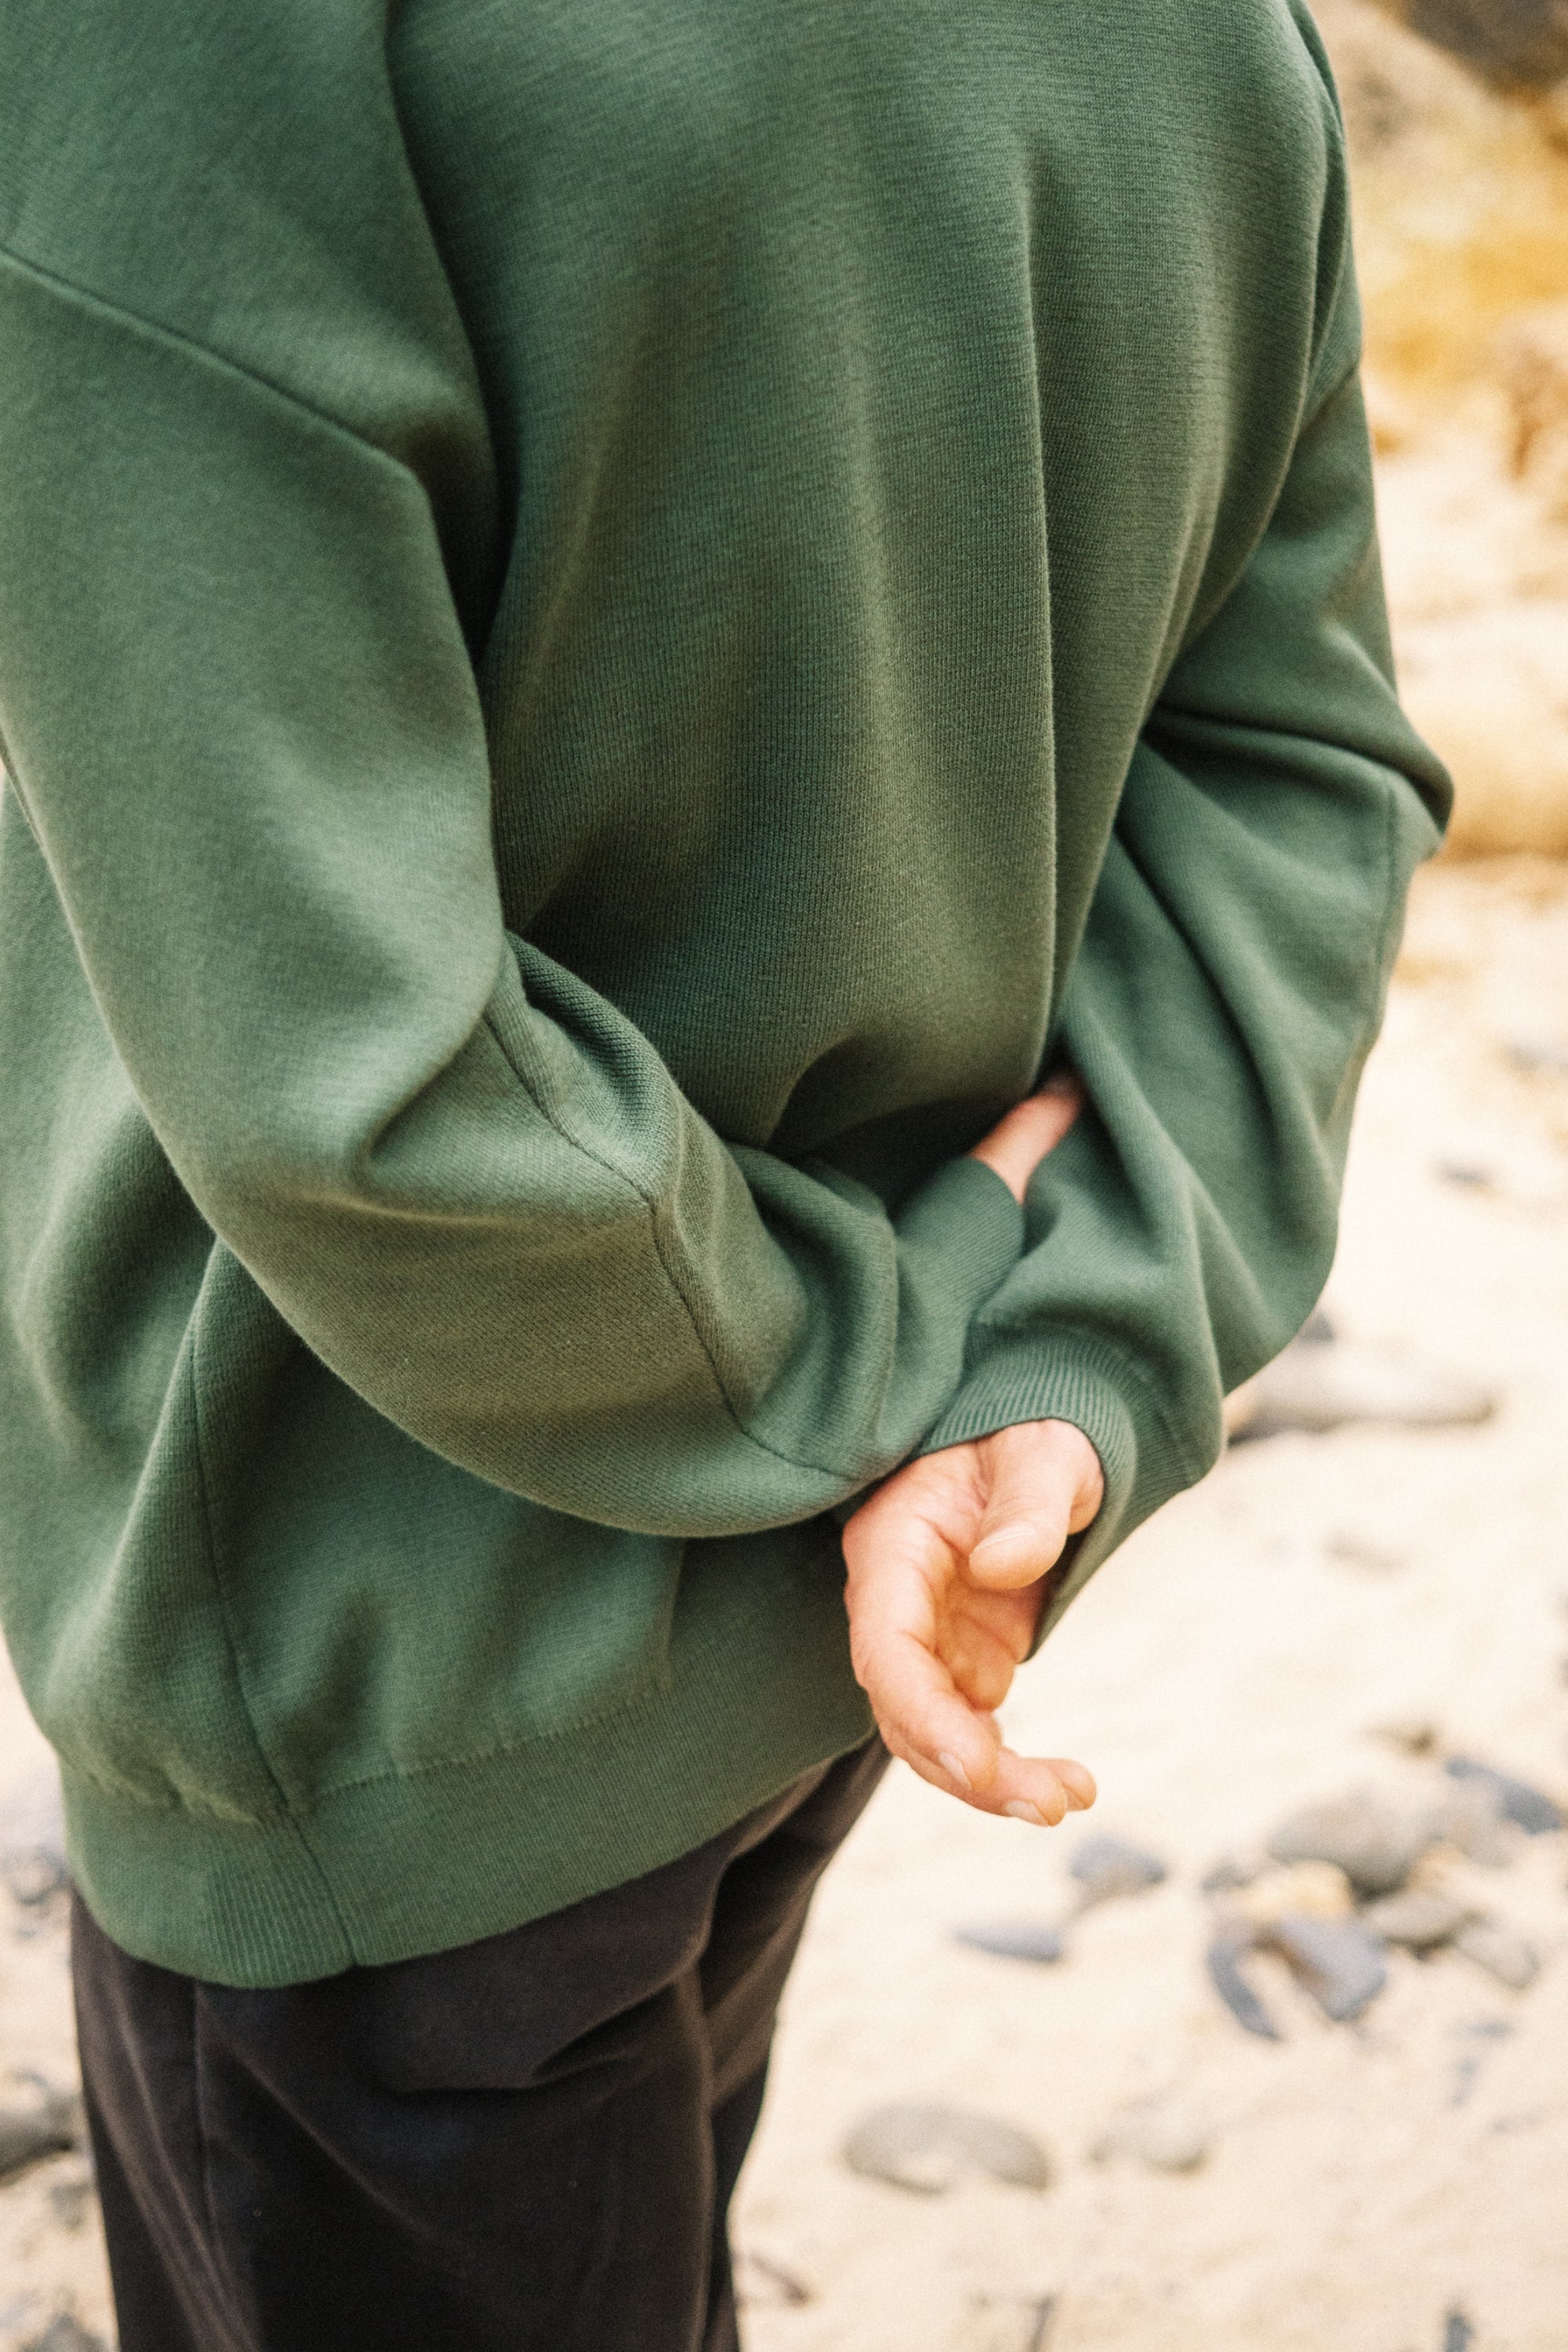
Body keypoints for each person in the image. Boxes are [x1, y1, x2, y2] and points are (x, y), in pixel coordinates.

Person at [0, 1, 1449, 2344]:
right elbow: (1296, 759)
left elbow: (341, 1079)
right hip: (876, 1602)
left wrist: (877, 1362)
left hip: (379, 1651)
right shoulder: (1217, 36)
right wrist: (1045, 1354)